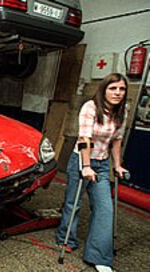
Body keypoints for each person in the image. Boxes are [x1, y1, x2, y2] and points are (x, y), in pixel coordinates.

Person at [56, 73, 129, 272]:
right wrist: (86, 166)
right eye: (113, 88)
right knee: (74, 203)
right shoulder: (90, 107)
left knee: (105, 208)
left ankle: (99, 257)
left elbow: (116, 140)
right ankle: (66, 238)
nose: (117, 93)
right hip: (81, 159)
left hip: (103, 163)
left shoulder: (122, 111)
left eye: (121, 89)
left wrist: (117, 165)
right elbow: (84, 138)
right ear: (104, 89)